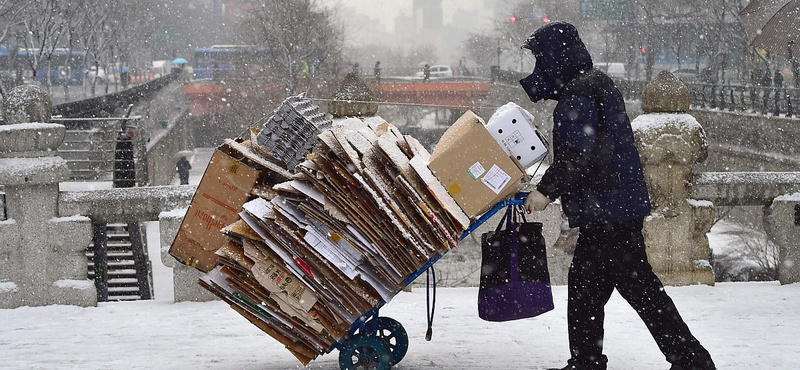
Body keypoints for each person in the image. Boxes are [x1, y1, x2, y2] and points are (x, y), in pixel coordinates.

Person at [518, 22, 715, 370]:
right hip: (612, 209)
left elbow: (576, 155)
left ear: (555, 59)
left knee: (637, 292)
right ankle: (589, 361)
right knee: (588, 291)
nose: (538, 68)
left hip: (608, 211)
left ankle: (691, 359)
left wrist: (544, 192)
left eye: (541, 59)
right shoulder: (594, 84)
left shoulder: (578, 94)